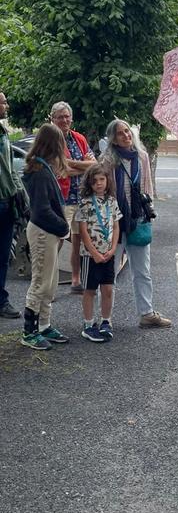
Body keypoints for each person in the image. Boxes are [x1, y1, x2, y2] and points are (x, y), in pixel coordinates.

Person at [101, 119, 171, 329]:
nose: (126, 135)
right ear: (113, 138)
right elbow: (102, 190)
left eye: (127, 131)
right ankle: (105, 318)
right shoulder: (107, 160)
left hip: (138, 219)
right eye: (120, 133)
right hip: (114, 221)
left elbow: (147, 188)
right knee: (110, 272)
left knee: (142, 270)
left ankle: (147, 313)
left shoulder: (142, 157)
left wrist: (147, 214)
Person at [21, 124, 70, 350]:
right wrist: (63, 227)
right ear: (54, 145)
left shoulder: (41, 167)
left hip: (47, 231)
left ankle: (44, 325)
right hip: (43, 232)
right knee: (40, 282)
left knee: (50, 282)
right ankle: (29, 331)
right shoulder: (40, 172)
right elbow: (42, 211)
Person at [50, 101, 96, 293]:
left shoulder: (79, 138)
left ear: (71, 118)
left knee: (78, 241)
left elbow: (94, 165)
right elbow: (61, 171)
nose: (64, 120)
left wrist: (70, 163)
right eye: (60, 117)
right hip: (63, 199)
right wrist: (81, 165)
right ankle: (50, 286)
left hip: (81, 198)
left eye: (67, 116)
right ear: (53, 119)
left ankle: (76, 281)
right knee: (57, 241)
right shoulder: (51, 141)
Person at [76, 164, 122, 342]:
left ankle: (106, 321)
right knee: (90, 290)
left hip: (108, 253)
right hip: (90, 255)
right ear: (90, 183)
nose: (99, 183)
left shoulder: (112, 201)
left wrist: (113, 248)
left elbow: (116, 226)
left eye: (102, 179)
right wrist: (94, 252)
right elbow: (83, 231)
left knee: (108, 289)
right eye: (94, 181)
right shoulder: (85, 203)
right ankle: (88, 324)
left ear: (107, 180)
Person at [0, 90, 27, 319]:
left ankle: (1, 300)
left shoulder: (3, 133)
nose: (6, 106)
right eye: (3, 102)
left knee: (3, 256)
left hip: (7, 202)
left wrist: (19, 192)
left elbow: (10, 169)